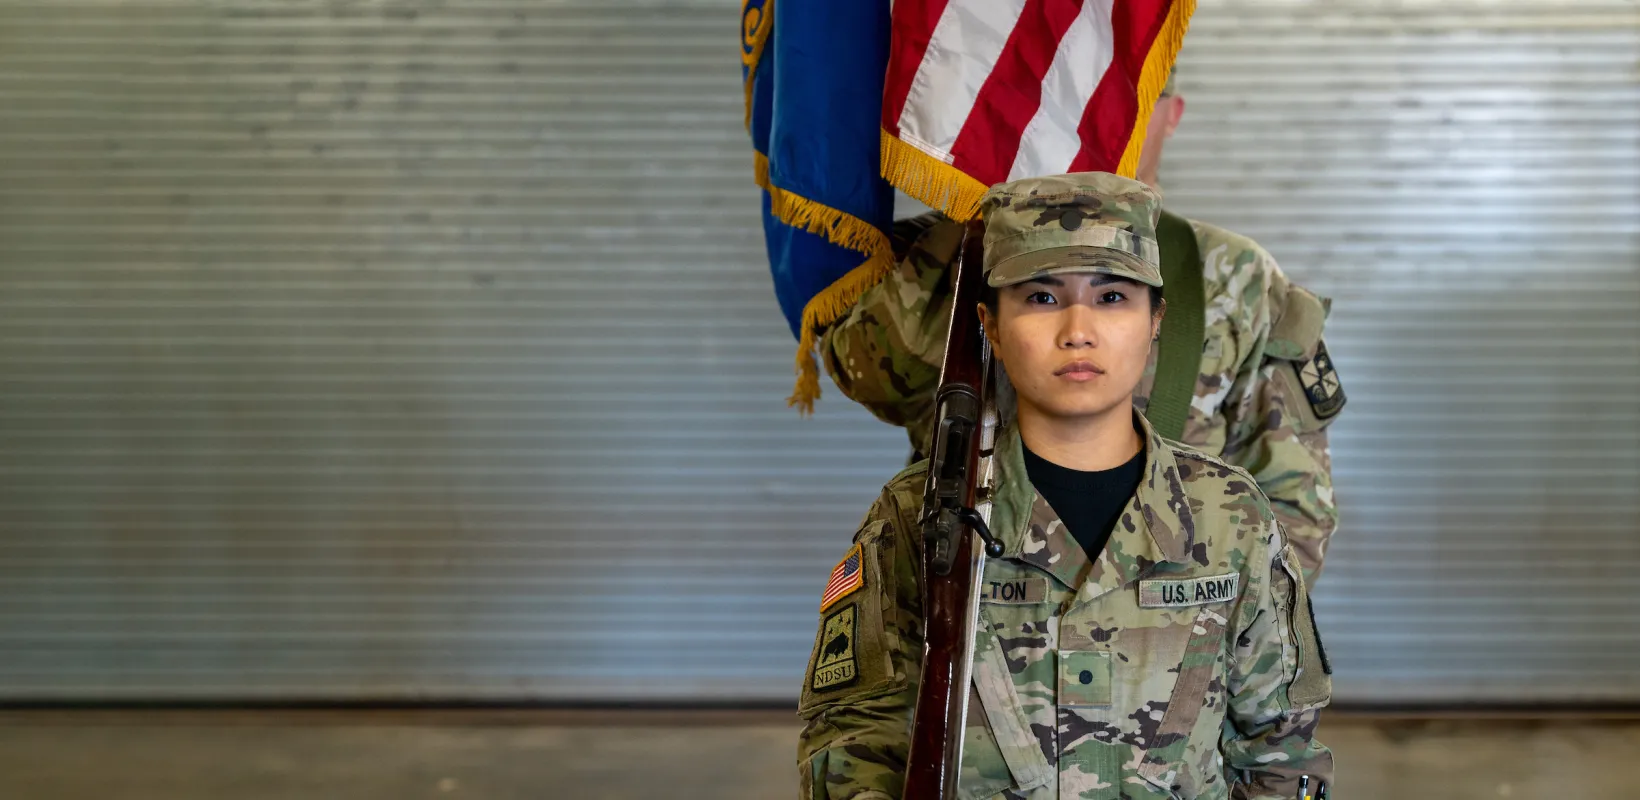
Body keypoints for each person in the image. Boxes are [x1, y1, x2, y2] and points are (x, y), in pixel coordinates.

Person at [797, 174, 1333, 800]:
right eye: (1041, 298)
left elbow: (1281, 748)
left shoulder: (1231, 516)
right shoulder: (920, 513)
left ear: (1155, 320)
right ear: (990, 327)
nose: (1078, 329)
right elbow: (851, 744)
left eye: (1111, 297)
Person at [820, 73, 1345, 582]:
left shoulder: (1236, 276)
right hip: (977, 621)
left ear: (1171, 113)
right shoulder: (955, 251)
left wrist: (1203, 637)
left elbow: (1294, 513)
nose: (1096, 115)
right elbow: (875, 380)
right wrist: (978, 220)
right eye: (1073, 90)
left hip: (1176, 638)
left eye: (1124, 91)